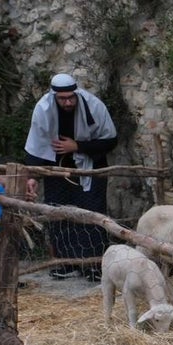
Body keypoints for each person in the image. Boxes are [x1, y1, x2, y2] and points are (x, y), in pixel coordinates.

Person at [24, 72, 117, 281]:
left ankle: (93, 264)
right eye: (62, 99)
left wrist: (78, 146)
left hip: (90, 169)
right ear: (54, 96)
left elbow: (110, 140)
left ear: (76, 93)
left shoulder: (94, 106)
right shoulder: (43, 109)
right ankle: (65, 263)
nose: (67, 102)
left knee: (90, 215)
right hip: (56, 170)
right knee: (59, 214)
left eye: (71, 97)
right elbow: (36, 146)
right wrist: (32, 176)